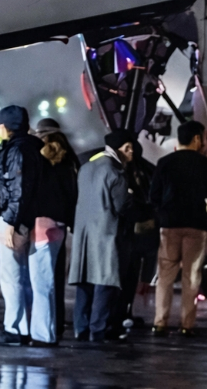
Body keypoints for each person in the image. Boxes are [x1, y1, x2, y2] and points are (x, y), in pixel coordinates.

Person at [150, 121, 207, 337]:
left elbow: (153, 195)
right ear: (197, 139)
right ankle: (186, 325)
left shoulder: (164, 162)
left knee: (165, 275)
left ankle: (160, 322)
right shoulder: (204, 164)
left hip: (169, 225)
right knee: (191, 276)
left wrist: (163, 211)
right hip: (196, 225)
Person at [69, 130, 135, 343]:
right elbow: (120, 206)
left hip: (84, 233)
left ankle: (80, 328)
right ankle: (97, 330)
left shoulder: (86, 168)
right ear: (123, 148)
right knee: (104, 283)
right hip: (106, 233)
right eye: (130, 147)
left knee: (85, 283)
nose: (132, 152)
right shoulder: (116, 173)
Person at [0, 105, 48, 347]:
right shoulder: (32, 149)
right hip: (26, 218)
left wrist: (10, 221)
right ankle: (21, 327)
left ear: (6, 127)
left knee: (12, 277)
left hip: (15, 219)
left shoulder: (17, 151)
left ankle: (14, 328)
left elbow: (17, 188)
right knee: (21, 277)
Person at [33, 118, 79, 341]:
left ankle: (43, 329)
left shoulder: (38, 158)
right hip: (60, 225)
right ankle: (57, 322)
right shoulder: (71, 160)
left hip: (40, 224)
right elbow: (73, 195)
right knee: (56, 277)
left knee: (40, 280)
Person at [112, 138, 157, 334]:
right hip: (141, 231)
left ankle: (119, 312)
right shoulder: (145, 170)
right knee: (131, 275)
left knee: (125, 274)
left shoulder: (123, 170)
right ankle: (124, 311)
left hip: (129, 231)